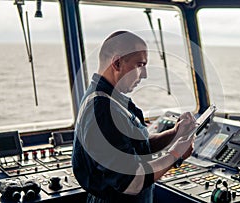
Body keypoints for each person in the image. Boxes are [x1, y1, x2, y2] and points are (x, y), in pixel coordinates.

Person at [72, 30, 197, 203]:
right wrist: (176, 154)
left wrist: (175, 134)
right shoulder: (102, 109)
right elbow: (131, 181)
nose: (145, 75)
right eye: (140, 65)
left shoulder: (111, 99)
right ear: (117, 63)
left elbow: (135, 147)